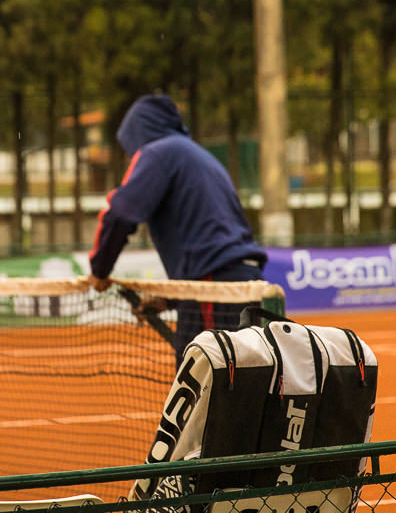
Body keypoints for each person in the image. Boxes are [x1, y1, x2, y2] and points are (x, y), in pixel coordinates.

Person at [88, 93, 268, 364]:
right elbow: (212, 238)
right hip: (238, 283)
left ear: (138, 134)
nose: (131, 156)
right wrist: (169, 298)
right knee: (237, 377)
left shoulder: (158, 153)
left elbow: (121, 214)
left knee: (208, 381)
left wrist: (99, 270)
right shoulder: (197, 156)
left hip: (214, 288)